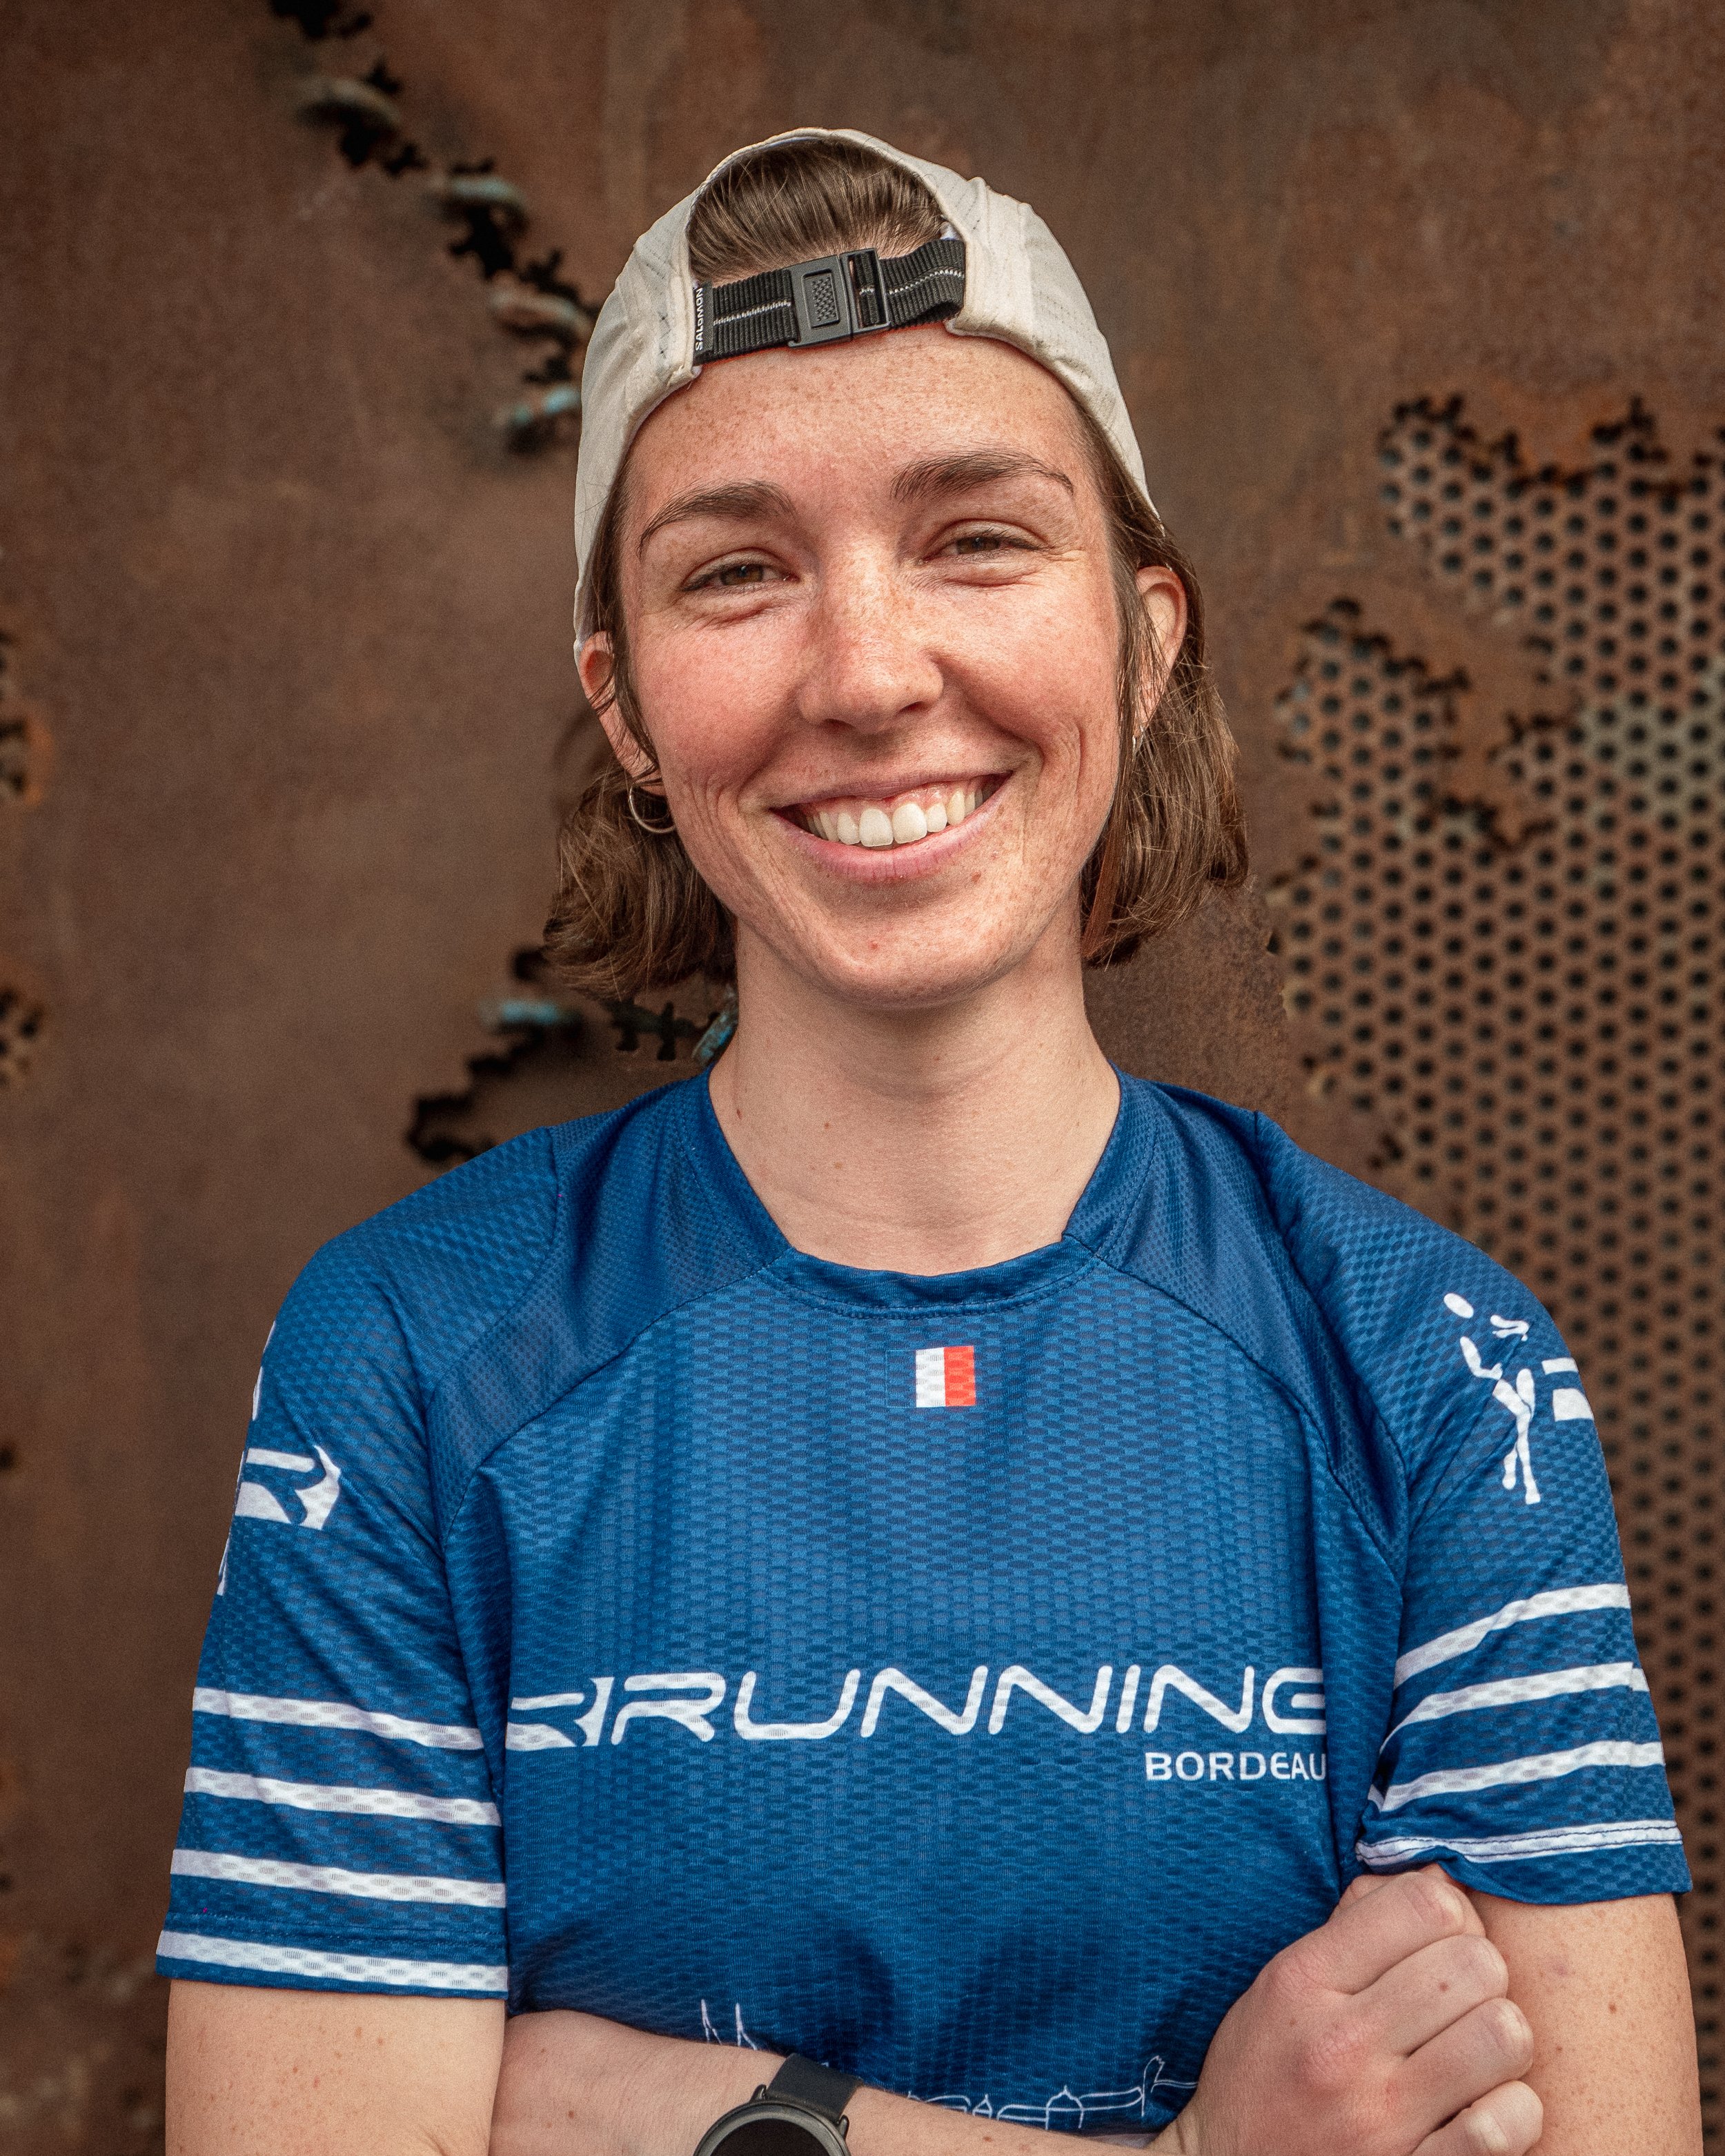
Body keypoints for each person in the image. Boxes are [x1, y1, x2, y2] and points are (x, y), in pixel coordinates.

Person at [161, 130, 1700, 2156]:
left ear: (1146, 638)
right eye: (737, 569)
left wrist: (629, 2113)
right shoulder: (411, 1357)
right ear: (626, 711)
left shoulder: (1430, 1372)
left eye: (976, 538)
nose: (871, 675)